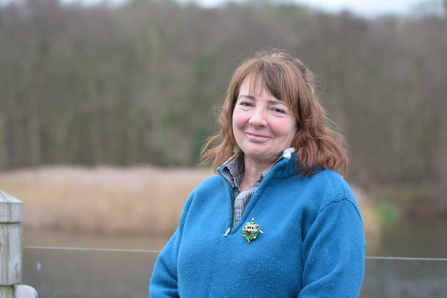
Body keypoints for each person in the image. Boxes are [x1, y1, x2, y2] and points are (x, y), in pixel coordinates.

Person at [149, 49, 366, 297]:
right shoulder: (204, 196)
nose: (257, 119)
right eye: (247, 104)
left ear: (301, 122)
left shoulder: (328, 198)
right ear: (231, 111)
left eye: (276, 109)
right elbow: (165, 283)